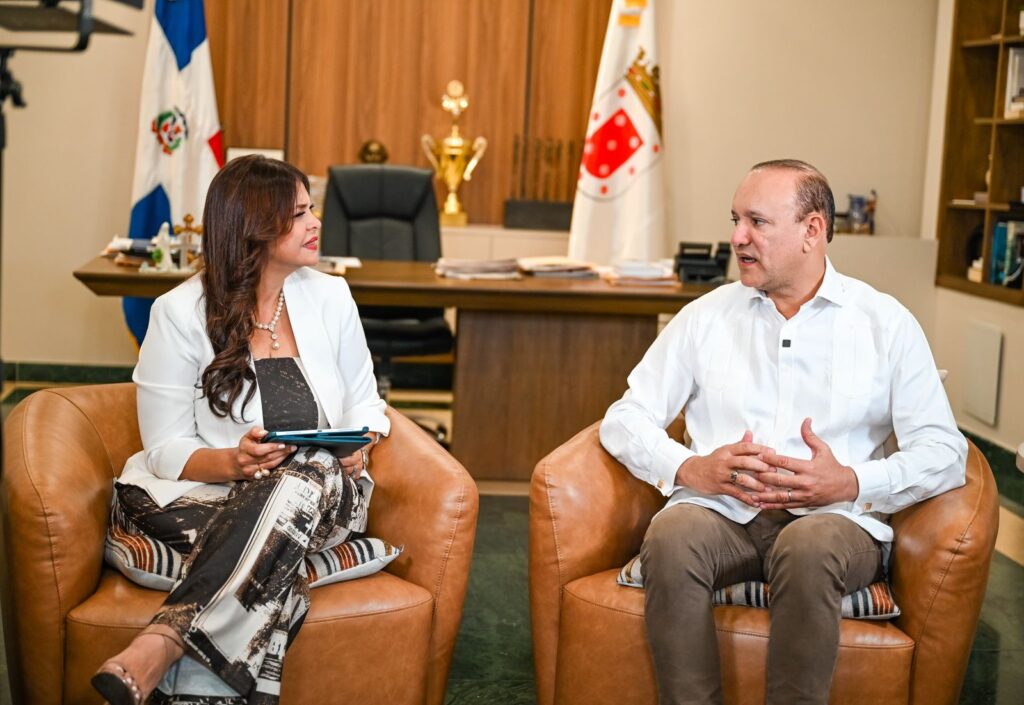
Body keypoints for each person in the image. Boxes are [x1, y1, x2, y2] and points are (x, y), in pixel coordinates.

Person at [600, 159, 967, 705]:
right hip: (721, 514)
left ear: (812, 230)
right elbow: (625, 417)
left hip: (836, 523)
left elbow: (945, 452)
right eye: (736, 220)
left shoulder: (885, 323)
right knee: (671, 537)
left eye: (757, 222)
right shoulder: (704, 317)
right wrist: (689, 467)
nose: (737, 237)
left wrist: (851, 482)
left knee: (809, 546)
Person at [92, 155, 390, 705]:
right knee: (277, 549)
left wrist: (360, 443)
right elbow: (163, 449)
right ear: (253, 227)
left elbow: (366, 402)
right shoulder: (179, 312)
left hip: (324, 494)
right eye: (298, 214)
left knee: (313, 465)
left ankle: (165, 640)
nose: (314, 223)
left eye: (311, 209)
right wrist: (236, 461)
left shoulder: (331, 297)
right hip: (208, 496)